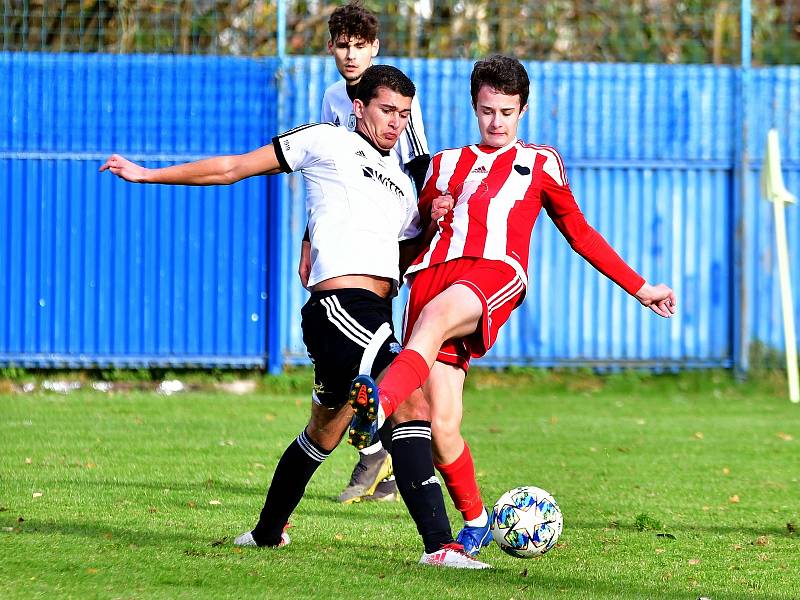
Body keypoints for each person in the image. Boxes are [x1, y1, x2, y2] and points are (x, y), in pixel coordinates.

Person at [100, 64, 489, 569]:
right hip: (339, 307)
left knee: (322, 433)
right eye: (386, 110)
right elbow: (232, 167)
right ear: (359, 107)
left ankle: (266, 533)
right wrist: (149, 173)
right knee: (411, 400)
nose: (396, 123)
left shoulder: (401, 182)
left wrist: (432, 222)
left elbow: (403, 253)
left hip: (374, 310)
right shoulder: (325, 141)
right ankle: (440, 547)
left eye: (403, 114)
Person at [348, 55, 678, 556]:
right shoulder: (443, 164)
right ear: (474, 107)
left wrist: (639, 286)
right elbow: (411, 243)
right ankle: (477, 521)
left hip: (492, 272)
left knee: (434, 323)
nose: (495, 122)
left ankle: (378, 405)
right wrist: (426, 215)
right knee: (441, 429)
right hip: (430, 276)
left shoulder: (541, 163)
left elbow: (580, 233)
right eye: (486, 111)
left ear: (523, 110)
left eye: (506, 112)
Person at [298, 0, 432, 505]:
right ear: (331, 47)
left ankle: (382, 445)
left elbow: (417, 163)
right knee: (373, 348)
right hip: (350, 229)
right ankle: (382, 446)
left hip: (396, 222)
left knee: (382, 347)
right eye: (343, 45)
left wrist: (420, 230)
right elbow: (324, 175)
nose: (351, 55)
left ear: (374, 47)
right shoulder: (334, 98)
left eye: (360, 45)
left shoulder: (395, 95)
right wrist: (309, 240)